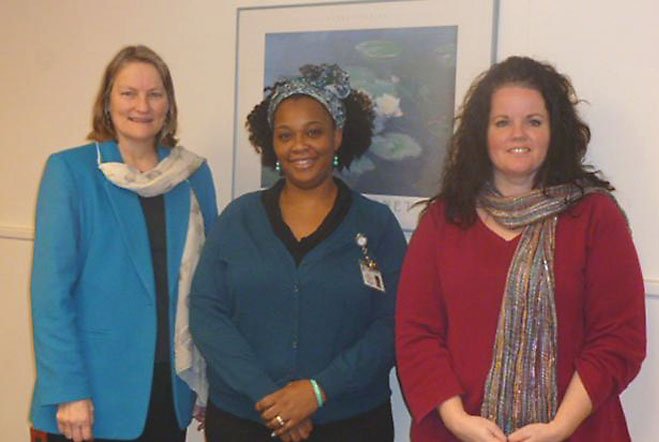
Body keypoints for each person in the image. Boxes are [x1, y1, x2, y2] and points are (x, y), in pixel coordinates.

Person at [395, 56, 646, 442]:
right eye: (502, 122)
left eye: (533, 121)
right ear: (482, 133)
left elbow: (619, 338)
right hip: (456, 432)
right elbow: (417, 334)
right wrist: (458, 420)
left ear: (554, 131)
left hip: (578, 431)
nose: (518, 134)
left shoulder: (596, 217)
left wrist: (561, 426)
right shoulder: (442, 221)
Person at [190, 63, 407, 442]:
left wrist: (318, 391)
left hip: (351, 423)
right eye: (285, 135)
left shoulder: (376, 224)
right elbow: (207, 314)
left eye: (314, 132)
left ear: (337, 137)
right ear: (272, 143)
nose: (299, 146)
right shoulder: (238, 218)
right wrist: (268, 398)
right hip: (245, 421)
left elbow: (393, 324)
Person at [30, 45, 218, 442]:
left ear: (169, 103)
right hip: (93, 393)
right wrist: (67, 389)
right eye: (128, 93)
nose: (142, 105)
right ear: (107, 102)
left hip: (171, 386)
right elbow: (51, 295)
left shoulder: (193, 175)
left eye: (155, 93)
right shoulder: (71, 172)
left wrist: (206, 378)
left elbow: (208, 287)